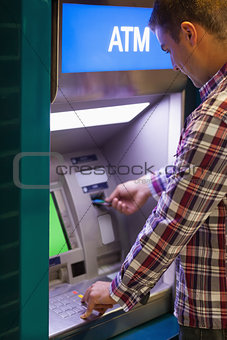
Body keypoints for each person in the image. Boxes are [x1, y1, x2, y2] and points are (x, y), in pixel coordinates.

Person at [81, 0, 227, 338]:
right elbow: (207, 172)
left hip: (214, 315)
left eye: (167, 50)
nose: (174, 65)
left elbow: (173, 222)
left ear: (189, 34)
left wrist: (117, 289)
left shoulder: (215, 114)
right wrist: (149, 184)